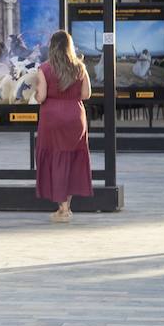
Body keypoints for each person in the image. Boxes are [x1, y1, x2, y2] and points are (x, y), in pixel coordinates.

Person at [34, 30, 93, 223]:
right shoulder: (80, 68)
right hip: (75, 118)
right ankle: (66, 206)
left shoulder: (44, 68)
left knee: (55, 158)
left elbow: (41, 97)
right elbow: (86, 94)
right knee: (71, 159)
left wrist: (35, 94)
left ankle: (63, 209)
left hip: (52, 118)